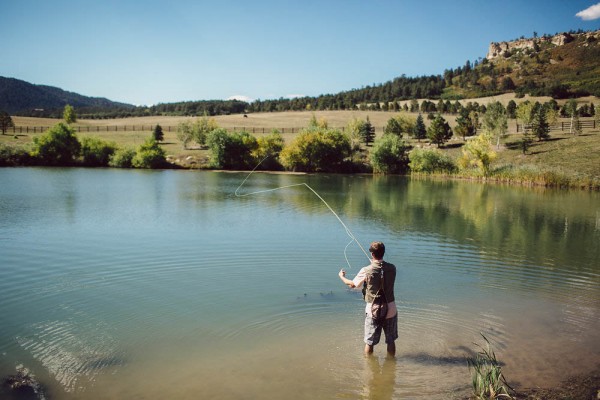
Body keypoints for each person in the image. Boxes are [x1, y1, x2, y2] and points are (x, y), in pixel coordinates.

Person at [338, 241, 397, 356]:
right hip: (391, 309)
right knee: (391, 341)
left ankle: (369, 368)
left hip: (372, 310)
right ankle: (391, 363)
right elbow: (381, 270)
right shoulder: (392, 268)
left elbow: (352, 285)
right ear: (383, 253)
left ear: (372, 254)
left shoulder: (366, 270)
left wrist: (341, 276)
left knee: (370, 342)